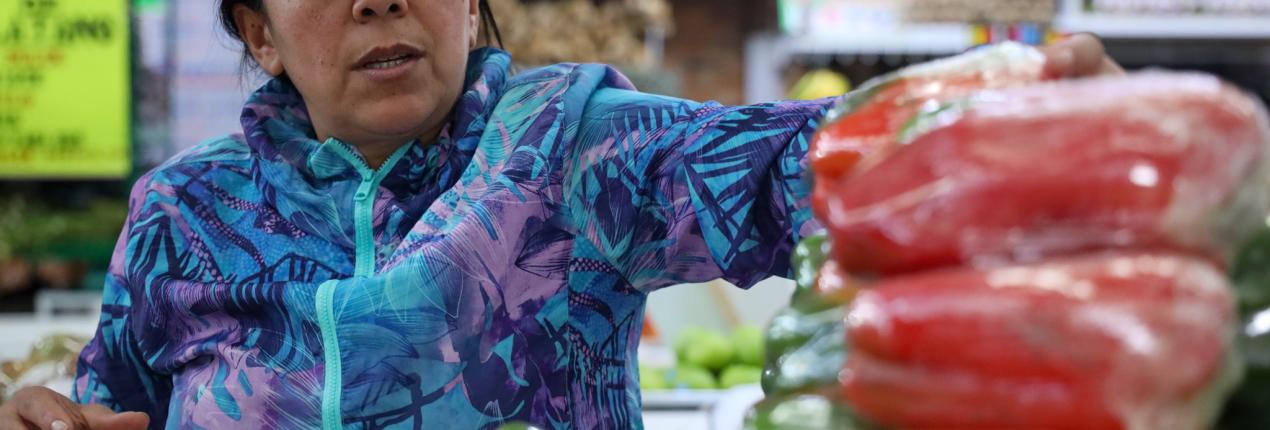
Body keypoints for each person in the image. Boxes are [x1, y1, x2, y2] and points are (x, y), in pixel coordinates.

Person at [0, 0, 1123, 428]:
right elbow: (111, 410)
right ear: (255, 30)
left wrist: (992, 118)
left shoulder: (569, 144)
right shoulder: (183, 212)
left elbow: (794, 167)